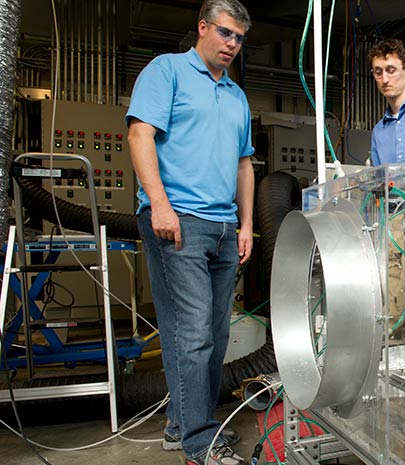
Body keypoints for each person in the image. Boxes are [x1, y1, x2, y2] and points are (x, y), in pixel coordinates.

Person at [126, 1, 254, 464]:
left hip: (222, 226)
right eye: (224, 33)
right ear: (202, 28)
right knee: (192, 332)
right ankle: (199, 445)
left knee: (216, 335)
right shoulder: (167, 71)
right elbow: (140, 135)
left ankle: (181, 425)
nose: (231, 45)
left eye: (239, 38)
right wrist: (159, 204)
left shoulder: (236, 96)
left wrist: (246, 225)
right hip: (177, 221)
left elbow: (244, 165)